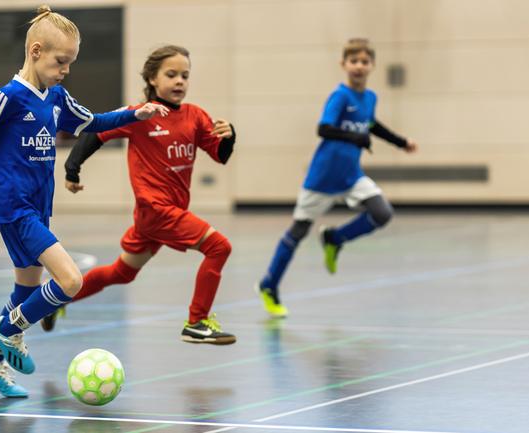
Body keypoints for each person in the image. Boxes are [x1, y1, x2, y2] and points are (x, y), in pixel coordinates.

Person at [0, 5, 167, 398]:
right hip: (15, 208)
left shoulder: (56, 97)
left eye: (71, 62)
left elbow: (95, 121)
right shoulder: (9, 98)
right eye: (60, 61)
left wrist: (137, 112)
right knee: (70, 280)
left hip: (38, 208)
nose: (66, 69)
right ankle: (8, 329)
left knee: (25, 290)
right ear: (35, 51)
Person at [42, 45, 237, 345]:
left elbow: (220, 155)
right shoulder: (139, 115)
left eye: (185, 75)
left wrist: (229, 137)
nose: (180, 81)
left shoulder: (196, 116)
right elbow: (95, 133)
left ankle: (57, 297)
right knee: (219, 248)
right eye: (171, 74)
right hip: (157, 210)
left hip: (159, 216)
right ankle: (197, 321)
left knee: (122, 272)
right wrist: (72, 168)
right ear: (152, 79)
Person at [256, 38, 418, 318]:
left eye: (364, 61)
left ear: (372, 66)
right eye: (353, 61)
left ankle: (335, 238)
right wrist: (356, 137)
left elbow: (371, 124)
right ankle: (269, 285)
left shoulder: (370, 98)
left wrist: (401, 142)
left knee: (382, 213)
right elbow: (324, 128)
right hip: (322, 178)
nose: (359, 66)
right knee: (298, 232)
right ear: (344, 65)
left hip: (351, 176)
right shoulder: (340, 96)